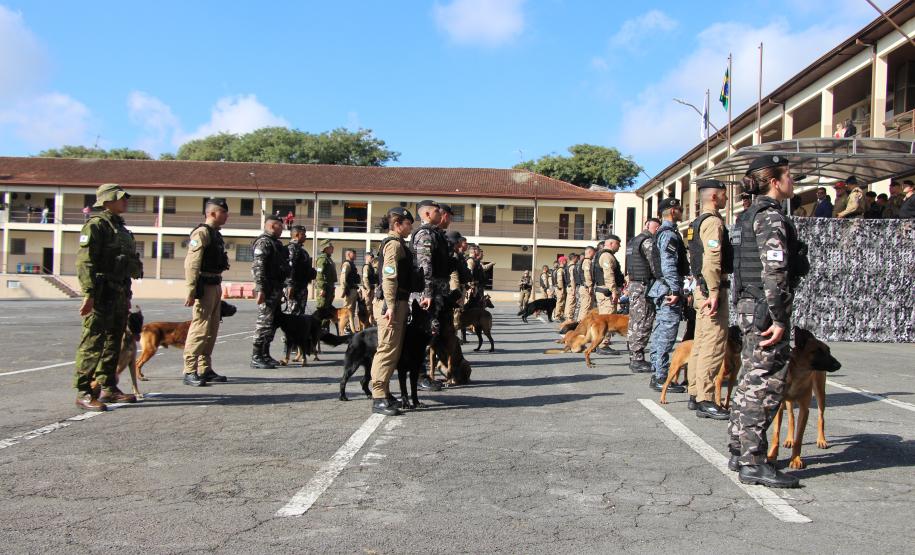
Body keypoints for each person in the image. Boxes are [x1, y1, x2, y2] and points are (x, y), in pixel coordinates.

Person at [728, 154, 809, 489]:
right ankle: (754, 461)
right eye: (789, 175)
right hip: (765, 307)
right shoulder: (771, 217)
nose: (794, 181)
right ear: (775, 181)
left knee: (748, 380)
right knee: (764, 384)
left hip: (750, 303)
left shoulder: (748, 215)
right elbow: (774, 270)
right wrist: (777, 317)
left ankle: (739, 450)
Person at [73, 184, 144, 410]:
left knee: (114, 341)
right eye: (120, 198)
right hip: (102, 293)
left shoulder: (121, 229)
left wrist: (127, 293)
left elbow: (126, 264)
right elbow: (86, 262)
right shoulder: (96, 226)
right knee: (93, 342)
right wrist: (89, 293)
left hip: (119, 292)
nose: (125, 201)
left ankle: (109, 387)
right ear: (106, 201)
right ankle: (84, 391)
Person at [685, 180, 732, 419]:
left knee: (701, 344)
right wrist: (714, 292)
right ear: (715, 196)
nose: (726, 199)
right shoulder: (713, 222)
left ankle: (695, 392)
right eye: (724, 195)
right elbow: (712, 260)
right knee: (712, 346)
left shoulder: (696, 223)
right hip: (711, 290)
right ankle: (705, 398)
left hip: (700, 289)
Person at [368, 207, 416, 416]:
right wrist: (390, 305)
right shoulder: (394, 245)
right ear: (397, 224)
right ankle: (378, 395)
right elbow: (389, 276)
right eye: (408, 224)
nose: (410, 228)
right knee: (387, 349)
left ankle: (385, 392)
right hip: (392, 303)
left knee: (393, 350)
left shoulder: (398, 244)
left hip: (398, 302)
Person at [182, 198, 231, 386]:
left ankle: (205, 369)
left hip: (215, 283)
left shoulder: (216, 234)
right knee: (200, 328)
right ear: (212, 213)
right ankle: (189, 370)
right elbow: (192, 263)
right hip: (204, 286)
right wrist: (191, 289)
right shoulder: (202, 233)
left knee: (211, 330)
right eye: (223, 212)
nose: (226, 216)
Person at [647, 197, 689, 394]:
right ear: (673, 211)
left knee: (660, 333)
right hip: (667, 289)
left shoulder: (664, 232)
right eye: (679, 208)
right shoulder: (669, 234)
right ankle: (661, 376)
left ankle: (657, 372)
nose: (682, 211)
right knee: (666, 335)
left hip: (661, 288)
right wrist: (674, 289)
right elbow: (668, 264)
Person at [250, 214, 290, 369]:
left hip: (276, 288)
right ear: (273, 226)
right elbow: (258, 267)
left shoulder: (275, 244)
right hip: (267, 289)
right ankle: (256, 356)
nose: (283, 230)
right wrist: (260, 289)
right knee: (264, 323)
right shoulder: (263, 243)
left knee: (272, 323)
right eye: (281, 226)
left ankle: (265, 354)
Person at [625, 218, 660, 373]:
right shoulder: (647, 242)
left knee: (635, 320)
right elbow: (655, 265)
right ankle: (637, 358)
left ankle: (634, 355)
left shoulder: (633, 242)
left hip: (634, 284)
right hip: (643, 286)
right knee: (643, 320)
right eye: (656, 226)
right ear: (647, 225)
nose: (657, 229)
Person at [594, 235, 624, 355]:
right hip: (606, 292)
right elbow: (608, 275)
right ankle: (603, 345)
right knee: (608, 319)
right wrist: (613, 291)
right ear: (611, 244)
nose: (619, 246)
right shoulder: (606, 256)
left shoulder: (603, 255)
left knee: (605, 318)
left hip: (604, 291)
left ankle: (600, 343)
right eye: (618, 244)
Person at [286, 225, 315, 316]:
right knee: (293, 314)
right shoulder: (292, 248)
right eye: (303, 234)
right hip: (295, 287)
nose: (305, 236)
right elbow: (290, 267)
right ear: (297, 235)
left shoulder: (302, 250)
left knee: (300, 314)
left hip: (302, 286)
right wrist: (290, 286)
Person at [314, 239, 337, 325]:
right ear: (326, 248)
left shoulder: (328, 259)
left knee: (327, 309)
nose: (333, 248)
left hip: (329, 287)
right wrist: (321, 288)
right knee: (322, 309)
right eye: (331, 246)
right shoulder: (322, 259)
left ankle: (324, 329)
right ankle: (318, 328)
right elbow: (319, 275)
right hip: (324, 287)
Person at [339, 249, 360, 333]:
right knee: (347, 310)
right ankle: (342, 330)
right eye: (354, 254)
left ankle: (348, 328)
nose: (356, 256)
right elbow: (343, 278)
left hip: (353, 290)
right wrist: (344, 290)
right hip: (349, 291)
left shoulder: (352, 264)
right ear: (348, 254)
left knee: (352, 311)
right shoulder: (346, 264)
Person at [577, 246, 596, 318]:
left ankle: (579, 324)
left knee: (583, 308)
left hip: (583, 287)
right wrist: (590, 285)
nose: (594, 255)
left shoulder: (582, 261)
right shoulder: (587, 261)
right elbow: (587, 274)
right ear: (590, 252)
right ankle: (581, 325)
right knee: (586, 308)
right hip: (586, 288)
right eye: (593, 253)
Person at [362, 251, 378, 327]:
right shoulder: (366, 267)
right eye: (370, 257)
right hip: (368, 290)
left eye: (372, 257)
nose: (372, 258)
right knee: (367, 307)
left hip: (371, 289)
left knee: (371, 307)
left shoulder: (371, 266)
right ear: (366, 257)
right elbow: (365, 278)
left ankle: (370, 322)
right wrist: (368, 289)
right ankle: (366, 324)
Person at [564, 252, 580, 321]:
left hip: (569, 286)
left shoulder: (567, 266)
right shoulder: (573, 267)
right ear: (574, 258)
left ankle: (567, 317)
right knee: (571, 303)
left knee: (568, 302)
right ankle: (569, 318)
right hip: (572, 287)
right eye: (577, 258)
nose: (578, 259)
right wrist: (574, 289)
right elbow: (572, 278)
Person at [553, 256, 568, 321]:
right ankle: (557, 316)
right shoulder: (560, 270)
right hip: (560, 288)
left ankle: (560, 315)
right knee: (560, 302)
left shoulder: (562, 269)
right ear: (562, 261)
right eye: (565, 260)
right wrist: (561, 288)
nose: (566, 262)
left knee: (562, 302)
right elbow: (560, 280)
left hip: (560, 288)